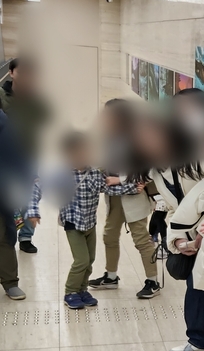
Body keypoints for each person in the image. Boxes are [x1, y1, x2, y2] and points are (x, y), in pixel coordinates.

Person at [134, 109, 204, 351]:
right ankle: (199, 339)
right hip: (192, 240)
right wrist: (177, 241)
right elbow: (174, 209)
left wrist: (203, 232)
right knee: (196, 286)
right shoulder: (156, 171)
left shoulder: (196, 158)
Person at [26, 131, 144, 310]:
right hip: (73, 223)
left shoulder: (94, 173)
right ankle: (70, 292)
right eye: (79, 152)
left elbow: (108, 189)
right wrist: (33, 211)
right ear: (68, 154)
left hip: (90, 223)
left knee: (90, 260)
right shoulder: (61, 174)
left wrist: (133, 188)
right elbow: (37, 187)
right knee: (81, 260)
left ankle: (82, 290)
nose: (84, 155)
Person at [89, 99, 161, 299]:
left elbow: (152, 166)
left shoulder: (137, 138)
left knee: (141, 240)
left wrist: (122, 179)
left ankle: (153, 281)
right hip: (114, 197)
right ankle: (111, 277)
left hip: (134, 196)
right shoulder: (108, 138)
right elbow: (107, 163)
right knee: (109, 236)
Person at [0, 58, 50, 254]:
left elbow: (46, 117)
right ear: (12, 73)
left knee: (32, 195)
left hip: (29, 154)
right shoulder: (1, 95)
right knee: (8, 197)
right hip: (6, 156)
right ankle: (10, 230)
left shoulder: (35, 98)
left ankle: (26, 236)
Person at [0, 107, 32, 300]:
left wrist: (28, 174)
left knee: (4, 235)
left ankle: (10, 282)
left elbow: (16, 153)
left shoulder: (3, 121)